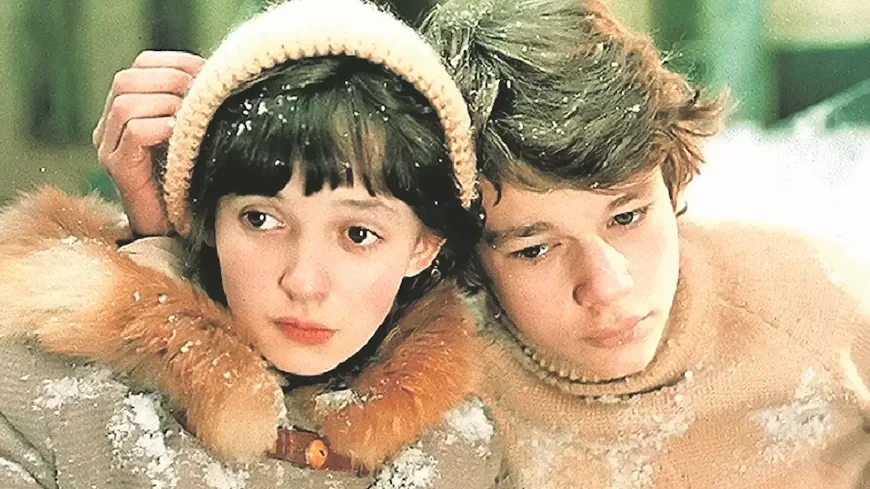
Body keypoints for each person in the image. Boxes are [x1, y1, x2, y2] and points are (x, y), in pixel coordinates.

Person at [0, 1, 502, 488]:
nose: (303, 282)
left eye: (358, 234)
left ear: (424, 245)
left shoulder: (462, 448)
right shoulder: (51, 401)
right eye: (261, 219)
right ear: (208, 219)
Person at [418, 0, 870, 487]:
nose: (607, 285)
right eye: (535, 249)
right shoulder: (441, 408)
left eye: (627, 217)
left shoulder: (818, 306)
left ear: (670, 184)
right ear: (467, 259)